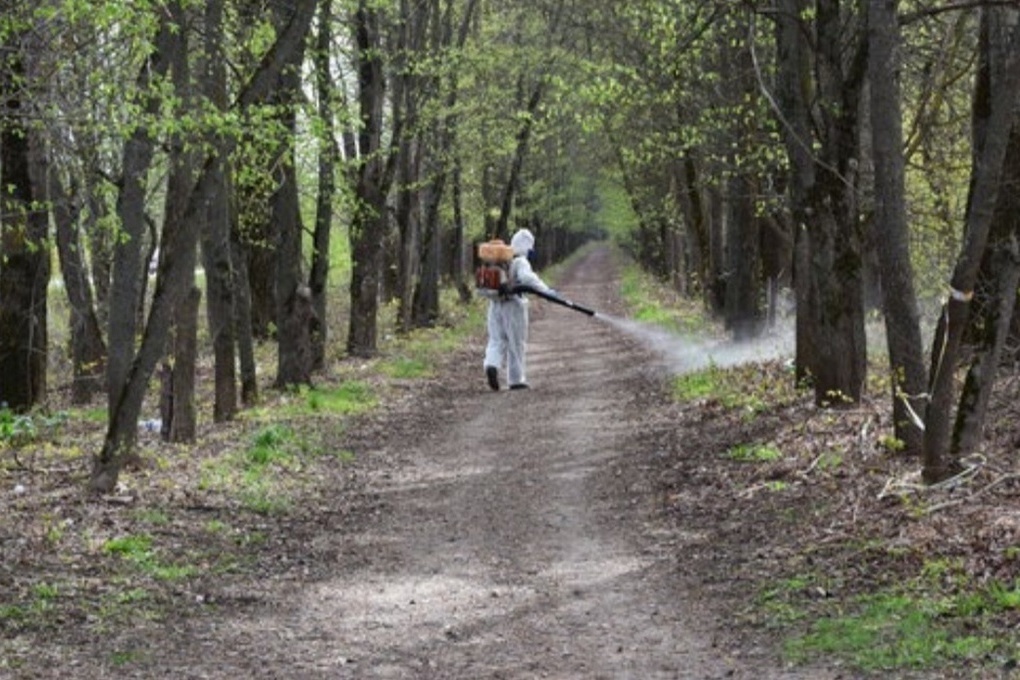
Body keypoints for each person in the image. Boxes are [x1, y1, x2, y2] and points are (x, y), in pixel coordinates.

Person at [483, 228, 552, 391]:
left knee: (496, 340)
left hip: (494, 305)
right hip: (513, 305)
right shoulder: (521, 261)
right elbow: (528, 278)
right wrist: (546, 290)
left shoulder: (502, 259)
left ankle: (491, 364)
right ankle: (516, 379)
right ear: (527, 246)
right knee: (516, 343)